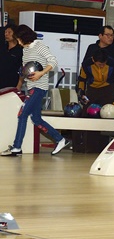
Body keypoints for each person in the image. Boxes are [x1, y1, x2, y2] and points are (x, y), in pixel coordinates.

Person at [2, 25, 71, 157]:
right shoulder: (26, 50)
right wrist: (22, 75)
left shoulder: (40, 46)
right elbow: (25, 69)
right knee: (36, 119)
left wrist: (41, 73)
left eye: (19, 39)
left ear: (25, 37)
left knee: (22, 115)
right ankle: (60, 139)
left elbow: (53, 61)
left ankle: (17, 147)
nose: (19, 42)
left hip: (40, 87)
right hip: (31, 87)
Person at [0, 24, 23, 90]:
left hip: (11, 83)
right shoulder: (2, 48)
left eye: (9, 32)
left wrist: (19, 85)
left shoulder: (20, 50)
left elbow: (22, 69)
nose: (6, 34)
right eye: (5, 32)